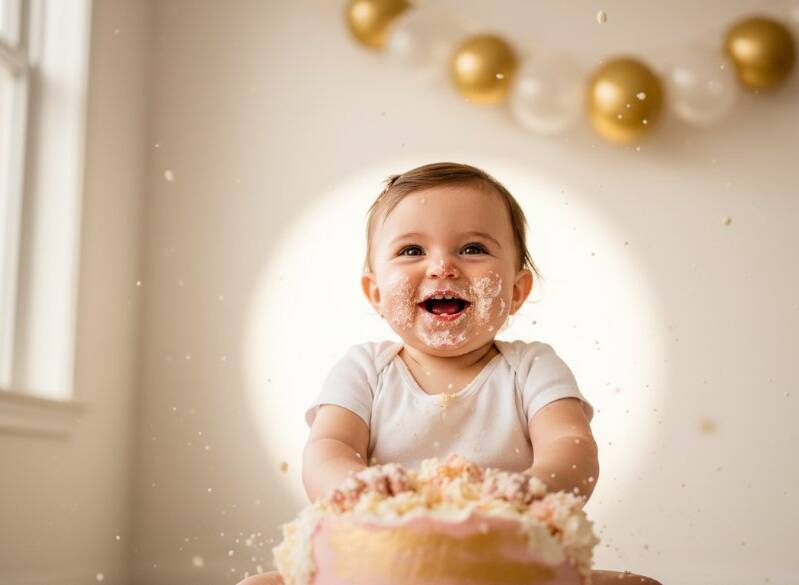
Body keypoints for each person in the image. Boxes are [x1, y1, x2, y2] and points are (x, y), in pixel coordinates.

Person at [237, 162, 660, 585]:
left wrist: (531, 491)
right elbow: (327, 448)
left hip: (507, 563)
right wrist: (361, 488)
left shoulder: (531, 367)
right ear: (376, 293)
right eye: (412, 251)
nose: (442, 266)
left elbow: (572, 447)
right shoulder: (365, 369)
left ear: (516, 291)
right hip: (383, 561)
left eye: (473, 248)